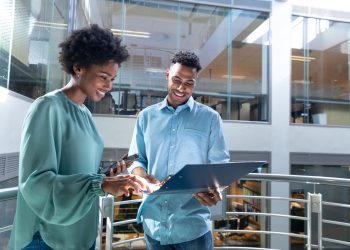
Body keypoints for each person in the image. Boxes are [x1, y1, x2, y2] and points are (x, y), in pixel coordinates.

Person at [8, 24, 151, 250]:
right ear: (78, 68)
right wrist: (99, 183)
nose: (108, 86)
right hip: (47, 237)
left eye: (112, 79)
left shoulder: (84, 113)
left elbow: (79, 172)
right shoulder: (47, 108)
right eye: (103, 77)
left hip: (81, 235)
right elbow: (36, 183)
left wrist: (105, 176)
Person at [128, 51, 230, 249]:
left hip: (192, 228)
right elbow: (136, 160)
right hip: (154, 226)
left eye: (189, 83)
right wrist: (143, 177)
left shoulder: (210, 118)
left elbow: (219, 166)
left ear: (195, 82)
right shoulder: (146, 117)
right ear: (167, 75)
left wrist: (214, 188)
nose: (182, 88)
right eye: (176, 80)